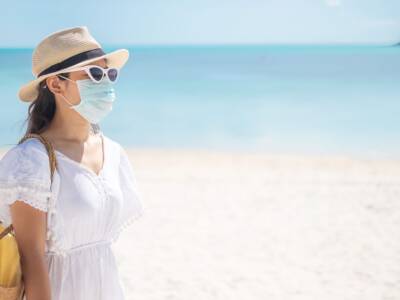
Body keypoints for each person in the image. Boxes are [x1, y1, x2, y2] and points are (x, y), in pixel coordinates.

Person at [0, 26, 144, 300]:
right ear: (55, 84)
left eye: (109, 74)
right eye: (94, 74)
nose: (106, 83)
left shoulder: (113, 152)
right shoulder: (30, 161)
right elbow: (32, 260)